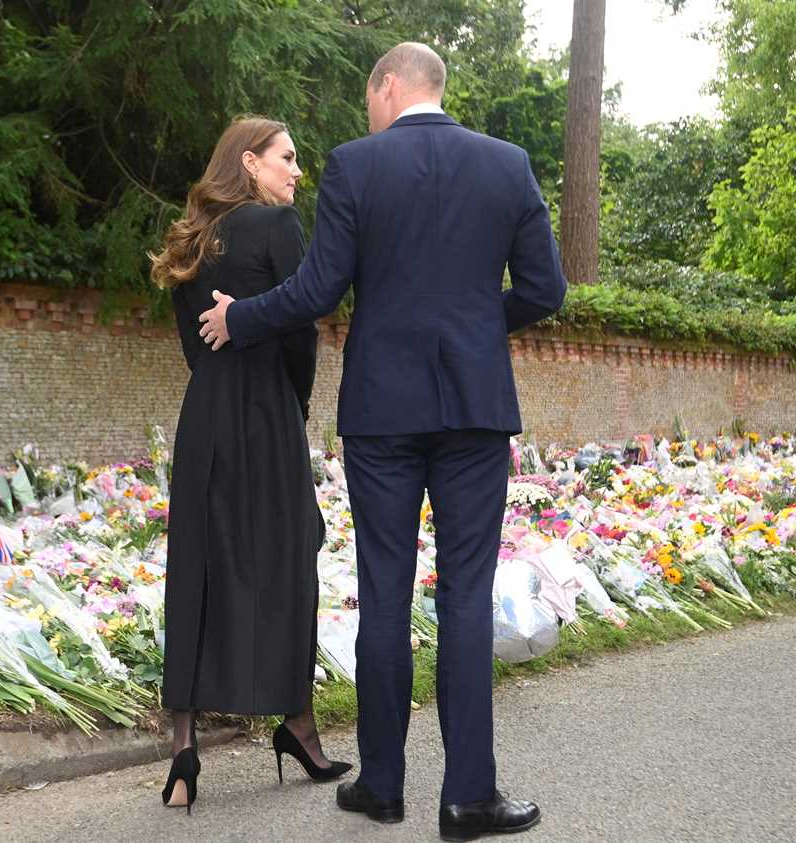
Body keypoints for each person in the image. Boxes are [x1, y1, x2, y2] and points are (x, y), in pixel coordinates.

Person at [197, 44, 566, 841]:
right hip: (473, 411)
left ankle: (385, 787)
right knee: (465, 595)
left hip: (382, 413)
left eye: (370, 99)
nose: (368, 114)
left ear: (389, 87)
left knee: (385, 594)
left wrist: (239, 317)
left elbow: (318, 288)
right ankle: (469, 799)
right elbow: (546, 290)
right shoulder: (507, 165)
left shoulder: (358, 166)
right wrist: (470, 325)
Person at [150, 116, 352, 815]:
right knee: (289, 558)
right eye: (287, 158)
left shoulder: (191, 239)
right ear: (251, 161)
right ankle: (296, 724)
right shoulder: (277, 229)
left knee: (198, 569)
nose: (297, 172)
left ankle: (183, 750)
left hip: (204, 414)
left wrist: (218, 381)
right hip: (266, 415)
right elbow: (301, 330)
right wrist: (291, 404)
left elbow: (191, 345)